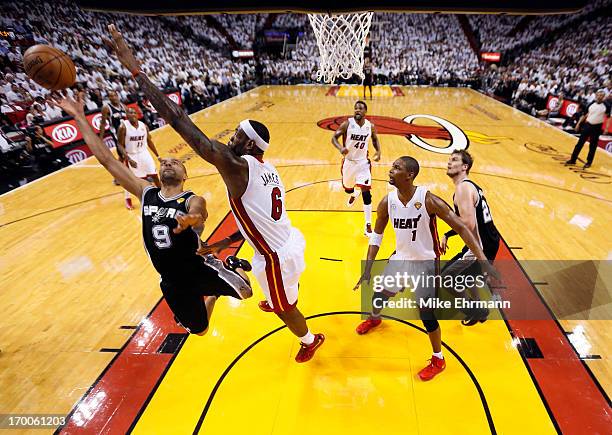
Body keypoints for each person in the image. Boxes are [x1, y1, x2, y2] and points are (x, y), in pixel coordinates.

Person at [108, 24, 325, 363]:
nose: (231, 139)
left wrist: (136, 70)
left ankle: (309, 339)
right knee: (275, 290)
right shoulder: (268, 169)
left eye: (237, 135)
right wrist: (224, 245)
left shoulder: (237, 166)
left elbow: (180, 118)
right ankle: (279, 292)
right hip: (286, 239)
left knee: (286, 309)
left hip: (275, 258)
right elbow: (257, 216)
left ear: (250, 144)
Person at [54, 93, 253, 336]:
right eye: (165, 162)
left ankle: (233, 264)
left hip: (197, 268)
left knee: (246, 291)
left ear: (185, 174)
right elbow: (106, 159)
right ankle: (211, 295)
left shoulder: (191, 198)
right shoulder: (145, 192)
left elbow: (199, 213)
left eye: (175, 163)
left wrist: (191, 219)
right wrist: (78, 117)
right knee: (199, 331)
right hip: (170, 280)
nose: (168, 163)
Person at [353, 156, 497, 381]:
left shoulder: (429, 200)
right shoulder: (386, 202)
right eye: (392, 167)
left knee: (427, 314)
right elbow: (377, 236)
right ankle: (375, 318)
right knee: (378, 296)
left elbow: (461, 227)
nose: (390, 171)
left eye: (396, 168)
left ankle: (438, 358)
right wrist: (368, 267)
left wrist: (483, 259)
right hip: (400, 259)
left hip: (425, 264)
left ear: (409, 175)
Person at [440, 150, 500, 325]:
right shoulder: (471, 186)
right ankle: (478, 310)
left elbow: (468, 224)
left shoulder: (463, 188)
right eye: (449, 160)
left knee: (446, 278)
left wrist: (446, 224)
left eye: (454, 160)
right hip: (489, 240)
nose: (449, 162)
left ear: (464, 167)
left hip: (479, 245)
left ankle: (476, 311)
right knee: (468, 277)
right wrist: (448, 234)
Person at [331, 100, 381, 236]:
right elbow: (334, 138)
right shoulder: (347, 124)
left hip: (363, 163)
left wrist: (378, 152)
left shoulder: (369, 126)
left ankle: (368, 225)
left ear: (365, 111)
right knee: (348, 189)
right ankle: (354, 193)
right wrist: (341, 148)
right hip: (349, 163)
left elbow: (375, 139)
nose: (357, 110)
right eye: (355, 108)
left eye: (360, 108)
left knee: (367, 192)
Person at [117, 107, 161, 209]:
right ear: (126, 116)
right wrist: (128, 159)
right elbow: (119, 145)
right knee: (133, 180)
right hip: (132, 155)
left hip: (144, 153)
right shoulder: (123, 127)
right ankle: (128, 198)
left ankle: (162, 196)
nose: (132, 114)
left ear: (137, 114)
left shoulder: (143, 126)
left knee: (154, 175)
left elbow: (149, 141)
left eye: (133, 112)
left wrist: (158, 156)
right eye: (129, 113)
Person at [566, 89, 611, 169]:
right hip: (587, 125)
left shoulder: (607, 106)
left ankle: (589, 162)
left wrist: (606, 128)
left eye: (602, 95)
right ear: (596, 95)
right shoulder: (590, 104)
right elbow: (584, 115)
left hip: (597, 127)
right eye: (598, 95)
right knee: (580, 143)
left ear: (604, 97)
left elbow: (608, 117)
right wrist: (578, 124)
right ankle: (573, 159)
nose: (600, 97)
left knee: (592, 146)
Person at [99, 89, 128, 189]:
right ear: (109, 98)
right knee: (123, 155)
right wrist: (100, 138)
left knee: (125, 156)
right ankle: (117, 177)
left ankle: (120, 175)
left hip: (126, 134)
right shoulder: (107, 108)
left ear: (117, 96)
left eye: (115, 95)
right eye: (111, 96)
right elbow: (103, 123)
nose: (113, 97)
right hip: (117, 135)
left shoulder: (123, 106)